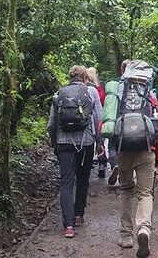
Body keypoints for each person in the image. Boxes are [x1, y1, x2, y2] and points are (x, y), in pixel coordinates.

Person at [115, 60, 158, 258]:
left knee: (127, 190)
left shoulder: (118, 93)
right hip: (146, 149)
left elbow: (107, 123)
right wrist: (157, 154)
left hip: (123, 149)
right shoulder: (150, 95)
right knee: (145, 193)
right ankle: (143, 229)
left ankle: (126, 236)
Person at [47, 65, 104, 238]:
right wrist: (100, 142)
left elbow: (51, 124)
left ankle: (69, 226)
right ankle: (79, 215)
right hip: (86, 143)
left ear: (70, 77)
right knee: (83, 178)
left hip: (64, 143)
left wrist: (55, 144)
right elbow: (99, 119)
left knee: (66, 182)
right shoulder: (91, 92)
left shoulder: (59, 94)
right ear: (85, 77)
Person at [86, 67, 108, 177]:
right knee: (100, 142)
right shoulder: (100, 87)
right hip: (100, 115)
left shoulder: (84, 88)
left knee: (88, 143)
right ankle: (101, 164)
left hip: (88, 119)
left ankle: (86, 165)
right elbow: (104, 101)